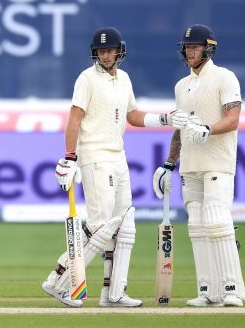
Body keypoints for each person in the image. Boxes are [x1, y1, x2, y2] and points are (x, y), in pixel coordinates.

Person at [41, 27, 188, 308]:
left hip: (118, 157)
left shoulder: (124, 79)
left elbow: (132, 116)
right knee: (100, 227)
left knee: (125, 226)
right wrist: (70, 156)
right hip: (95, 157)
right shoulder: (86, 79)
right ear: (95, 53)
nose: (106, 55)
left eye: (110, 50)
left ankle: (114, 293)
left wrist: (166, 119)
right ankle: (57, 281)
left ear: (119, 51)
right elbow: (74, 119)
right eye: (101, 51)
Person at [152, 24, 245, 307]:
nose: (190, 51)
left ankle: (232, 289)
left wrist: (208, 128)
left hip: (218, 161)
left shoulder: (225, 77)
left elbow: (233, 120)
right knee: (197, 226)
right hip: (190, 166)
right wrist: (169, 164)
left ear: (208, 47)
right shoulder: (181, 86)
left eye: (195, 46)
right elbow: (179, 130)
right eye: (187, 47)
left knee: (217, 221)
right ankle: (208, 290)